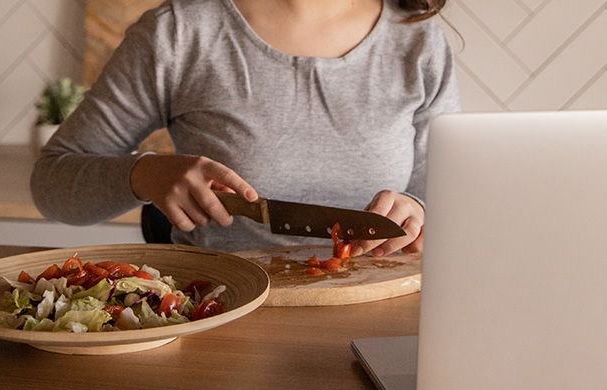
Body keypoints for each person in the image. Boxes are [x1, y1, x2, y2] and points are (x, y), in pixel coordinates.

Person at [31, 0, 459, 256]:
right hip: (226, 327)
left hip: (378, 321)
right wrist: (145, 174)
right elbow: (52, 182)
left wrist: (419, 210)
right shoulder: (179, 34)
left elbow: (447, 198)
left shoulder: (420, 42)